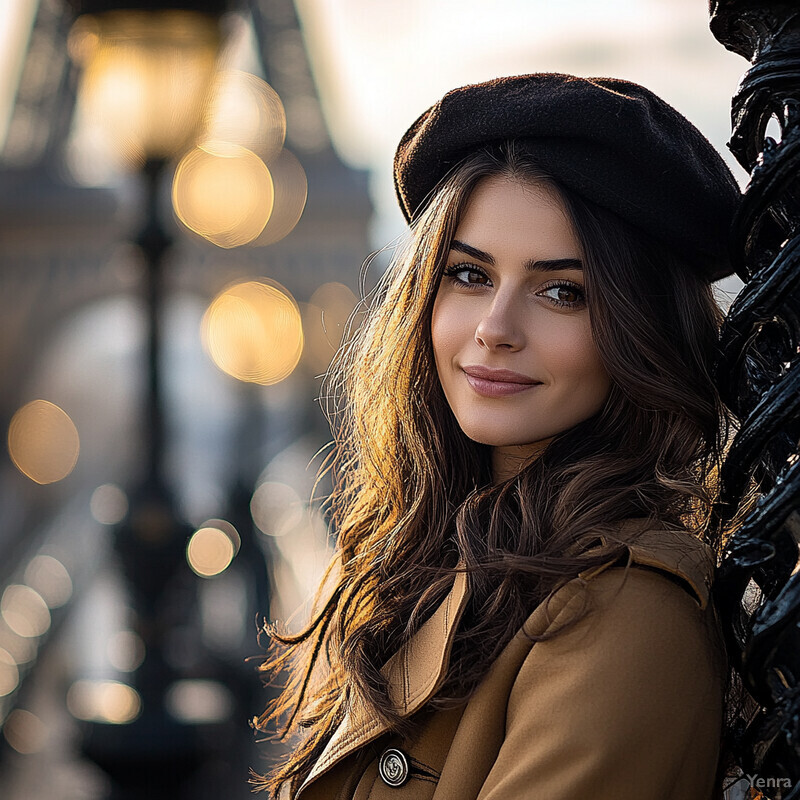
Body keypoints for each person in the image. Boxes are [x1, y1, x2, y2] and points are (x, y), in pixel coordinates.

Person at [252, 74, 750, 800]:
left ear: (641, 331)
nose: (494, 328)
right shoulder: (444, 558)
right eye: (469, 274)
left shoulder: (629, 615)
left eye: (562, 291)